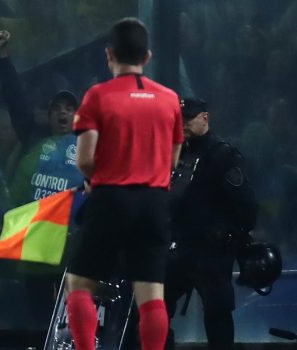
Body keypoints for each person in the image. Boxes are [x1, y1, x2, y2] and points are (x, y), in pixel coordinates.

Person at [65, 18, 183, 350]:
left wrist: (96, 179)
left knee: (79, 283)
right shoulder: (170, 99)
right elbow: (173, 161)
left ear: (109, 55)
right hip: (155, 203)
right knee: (151, 294)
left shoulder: (97, 97)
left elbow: (85, 159)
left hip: (110, 198)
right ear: (147, 57)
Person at [165, 98, 257, 350]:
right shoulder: (174, 153)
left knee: (217, 316)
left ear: (204, 118)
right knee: (155, 307)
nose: (182, 122)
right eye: (179, 117)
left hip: (212, 251)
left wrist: (233, 235)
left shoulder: (223, 155)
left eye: (188, 117)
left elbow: (247, 206)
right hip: (179, 246)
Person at [0, 29, 83, 205]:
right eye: (57, 108)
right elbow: (15, 99)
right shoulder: (33, 136)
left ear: (76, 116)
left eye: (69, 108)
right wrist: (3, 57)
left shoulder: (87, 147)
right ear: (49, 117)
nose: (63, 112)